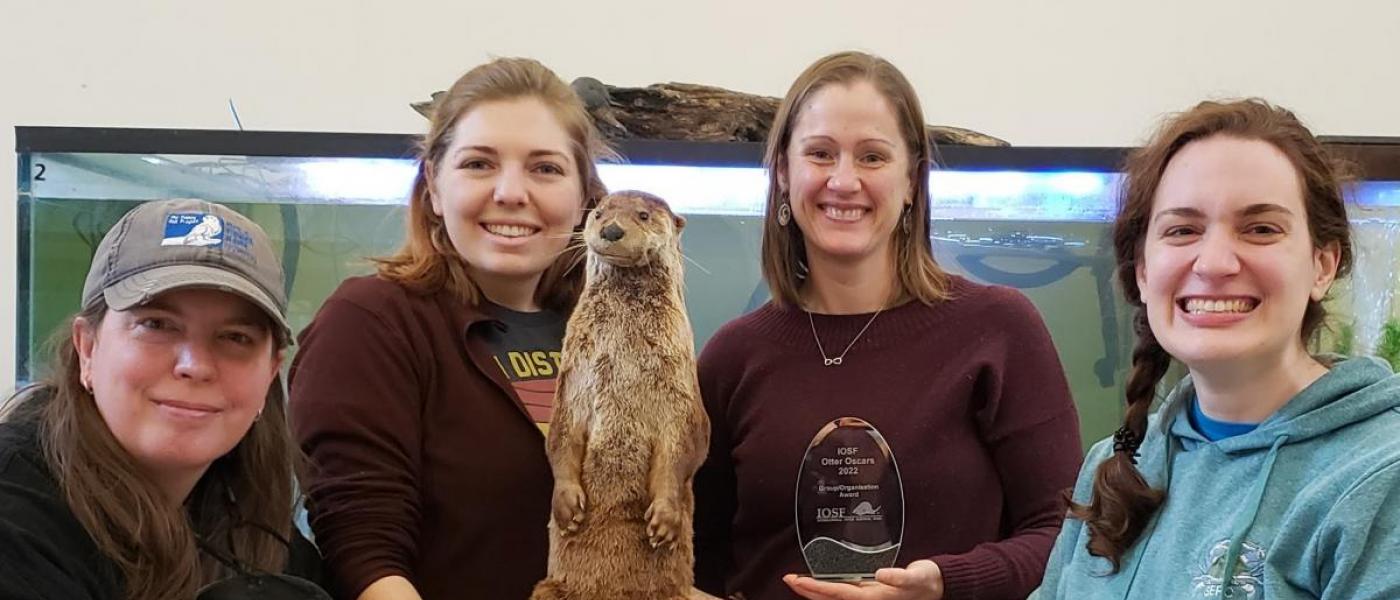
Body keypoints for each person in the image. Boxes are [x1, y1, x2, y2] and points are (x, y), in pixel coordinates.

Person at [693, 50, 1083, 600]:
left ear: (911, 180)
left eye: (872, 157)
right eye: (820, 154)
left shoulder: (999, 328)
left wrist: (949, 584)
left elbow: (1065, 534)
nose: (844, 180)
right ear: (784, 172)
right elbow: (693, 551)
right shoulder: (731, 357)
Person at [1033, 99, 1400, 599]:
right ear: (1143, 271)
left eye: (1261, 229)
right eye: (1182, 230)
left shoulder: (1381, 477)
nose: (1215, 262)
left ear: (1322, 265)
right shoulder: (1117, 465)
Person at [289, 57, 613, 600]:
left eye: (546, 168)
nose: (512, 192)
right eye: (479, 164)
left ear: (583, 201)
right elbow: (363, 550)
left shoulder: (600, 335)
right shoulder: (374, 321)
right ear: (435, 189)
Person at [0, 198, 328, 600]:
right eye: (156, 324)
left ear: (270, 372)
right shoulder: (16, 514)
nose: (195, 365)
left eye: (235, 337)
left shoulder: (252, 526)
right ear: (88, 348)